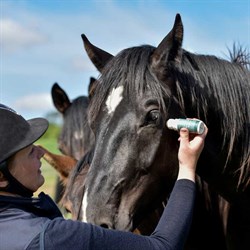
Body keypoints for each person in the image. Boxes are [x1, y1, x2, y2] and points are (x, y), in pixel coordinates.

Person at [0, 103, 208, 250]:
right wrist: (187, 166)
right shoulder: (53, 237)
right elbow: (164, 246)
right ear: (1, 178)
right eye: (29, 152)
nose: (41, 152)